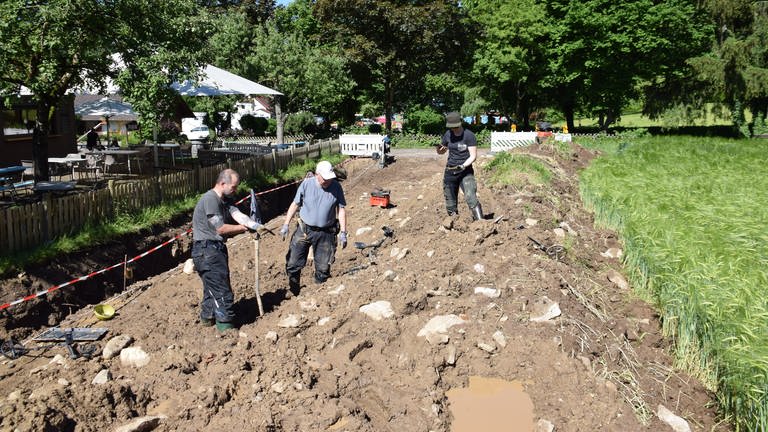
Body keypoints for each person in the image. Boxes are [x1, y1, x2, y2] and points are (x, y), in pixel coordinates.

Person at [191, 168, 267, 332]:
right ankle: (226, 328)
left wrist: (253, 224)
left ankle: (207, 320)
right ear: (222, 183)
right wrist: (243, 228)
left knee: (211, 288)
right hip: (207, 250)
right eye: (233, 186)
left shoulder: (223, 200)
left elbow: (236, 213)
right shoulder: (211, 199)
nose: (235, 190)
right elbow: (220, 228)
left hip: (209, 249)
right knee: (222, 290)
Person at [279, 160, 347, 298]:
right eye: (325, 178)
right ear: (317, 175)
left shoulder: (336, 187)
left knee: (323, 268)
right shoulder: (306, 184)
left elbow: (341, 210)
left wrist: (344, 232)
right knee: (293, 263)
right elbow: (295, 203)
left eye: (330, 178)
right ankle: (294, 290)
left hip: (326, 232)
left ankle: (319, 295)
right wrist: (286, 224)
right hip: (305, 229)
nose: (328, 181)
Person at [436, 111, 484, 221]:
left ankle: (481, 222)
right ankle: (454, 223)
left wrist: (463, 165)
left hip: (465, 171)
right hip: (450, 171)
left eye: (455, 127)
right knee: (450, 201)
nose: (454, 129)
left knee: (470, 196)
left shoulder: (469, 135)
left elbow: (473, 156)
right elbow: (442, 152)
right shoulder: (448, 134)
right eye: (451, 127)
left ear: (460, 123)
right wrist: (439, 150)